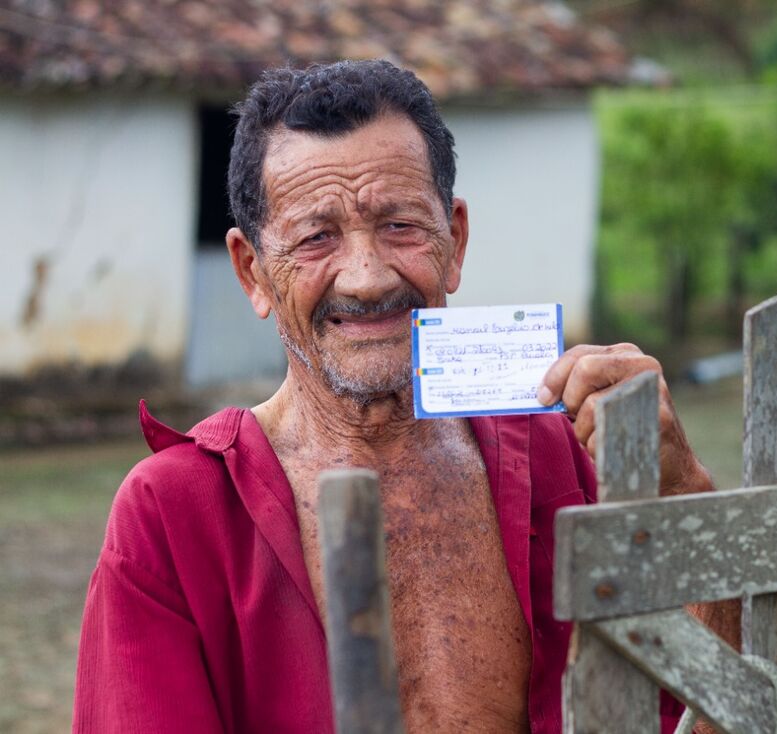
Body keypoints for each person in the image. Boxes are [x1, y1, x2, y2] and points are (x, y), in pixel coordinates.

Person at [73, 60, 733, 734]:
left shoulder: (565, 457)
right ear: (254, 273)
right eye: (315, 238)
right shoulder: (173, 516)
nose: (364, 277)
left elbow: (715, 710)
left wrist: (682, 491)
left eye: (400, 226)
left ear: (455, 241)